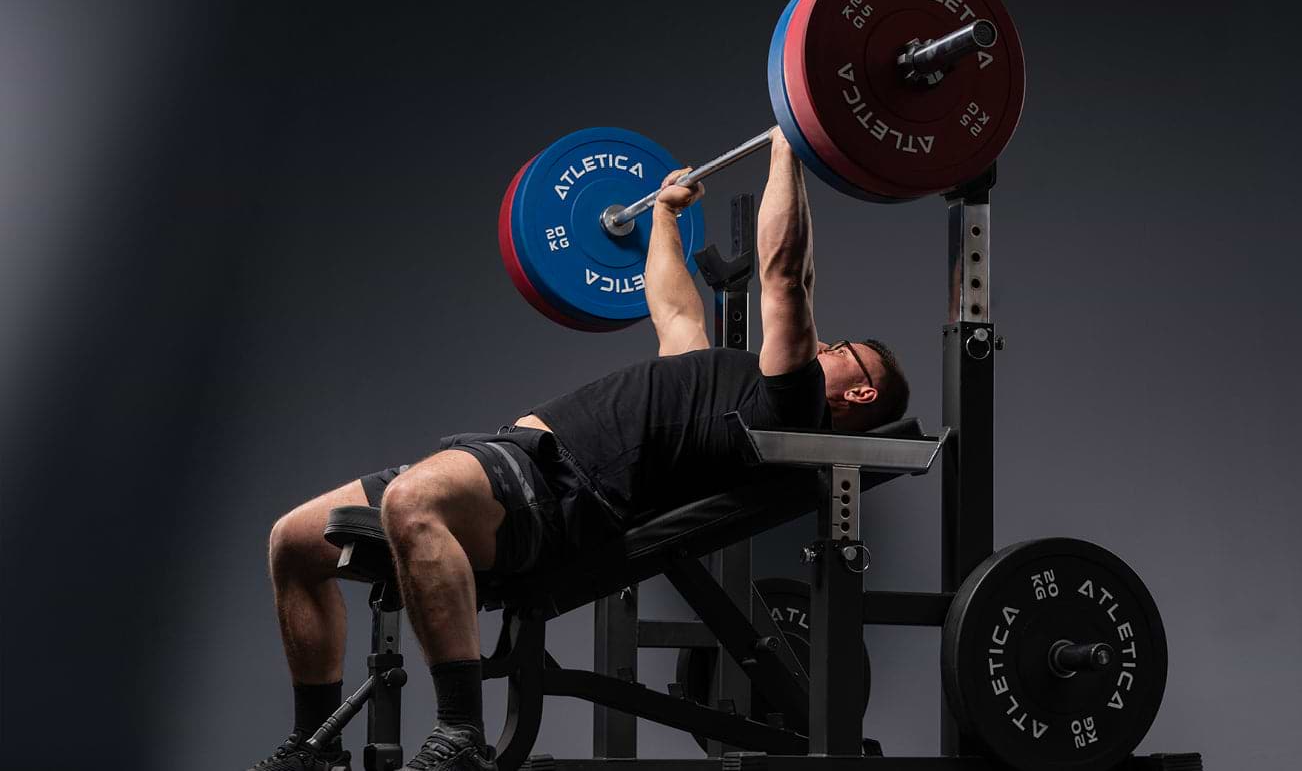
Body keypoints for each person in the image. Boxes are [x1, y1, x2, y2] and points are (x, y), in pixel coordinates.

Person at [249, 129, 911, 771]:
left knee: (414, 502)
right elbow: (676, 314)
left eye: (843, 352)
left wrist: (788, 148)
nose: (827, 346)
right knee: (295, 542)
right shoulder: (722, 382)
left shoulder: (789, 405)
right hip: (512, 458)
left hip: (561, 492)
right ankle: (316, 748)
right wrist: (666, 222)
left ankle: (460, 736)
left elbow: (785, 275)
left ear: (858, 397)